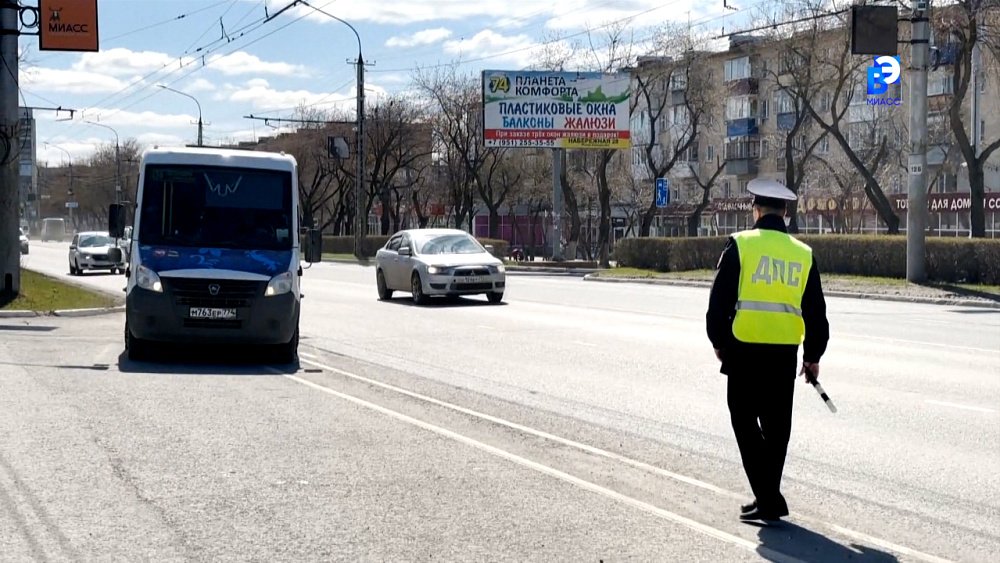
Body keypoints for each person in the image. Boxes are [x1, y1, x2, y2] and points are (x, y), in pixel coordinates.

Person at [706, 178, 830, 522]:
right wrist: (813, 357)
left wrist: (718, 341)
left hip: (743, 351)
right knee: (777, 431)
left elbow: (718, 302)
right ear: (785, 213)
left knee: (743, 421)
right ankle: (768, 495)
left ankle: (768, 497)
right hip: (782, 356)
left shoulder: (741, 245)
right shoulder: (802, 254)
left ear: (756, 210)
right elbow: (816, 311)